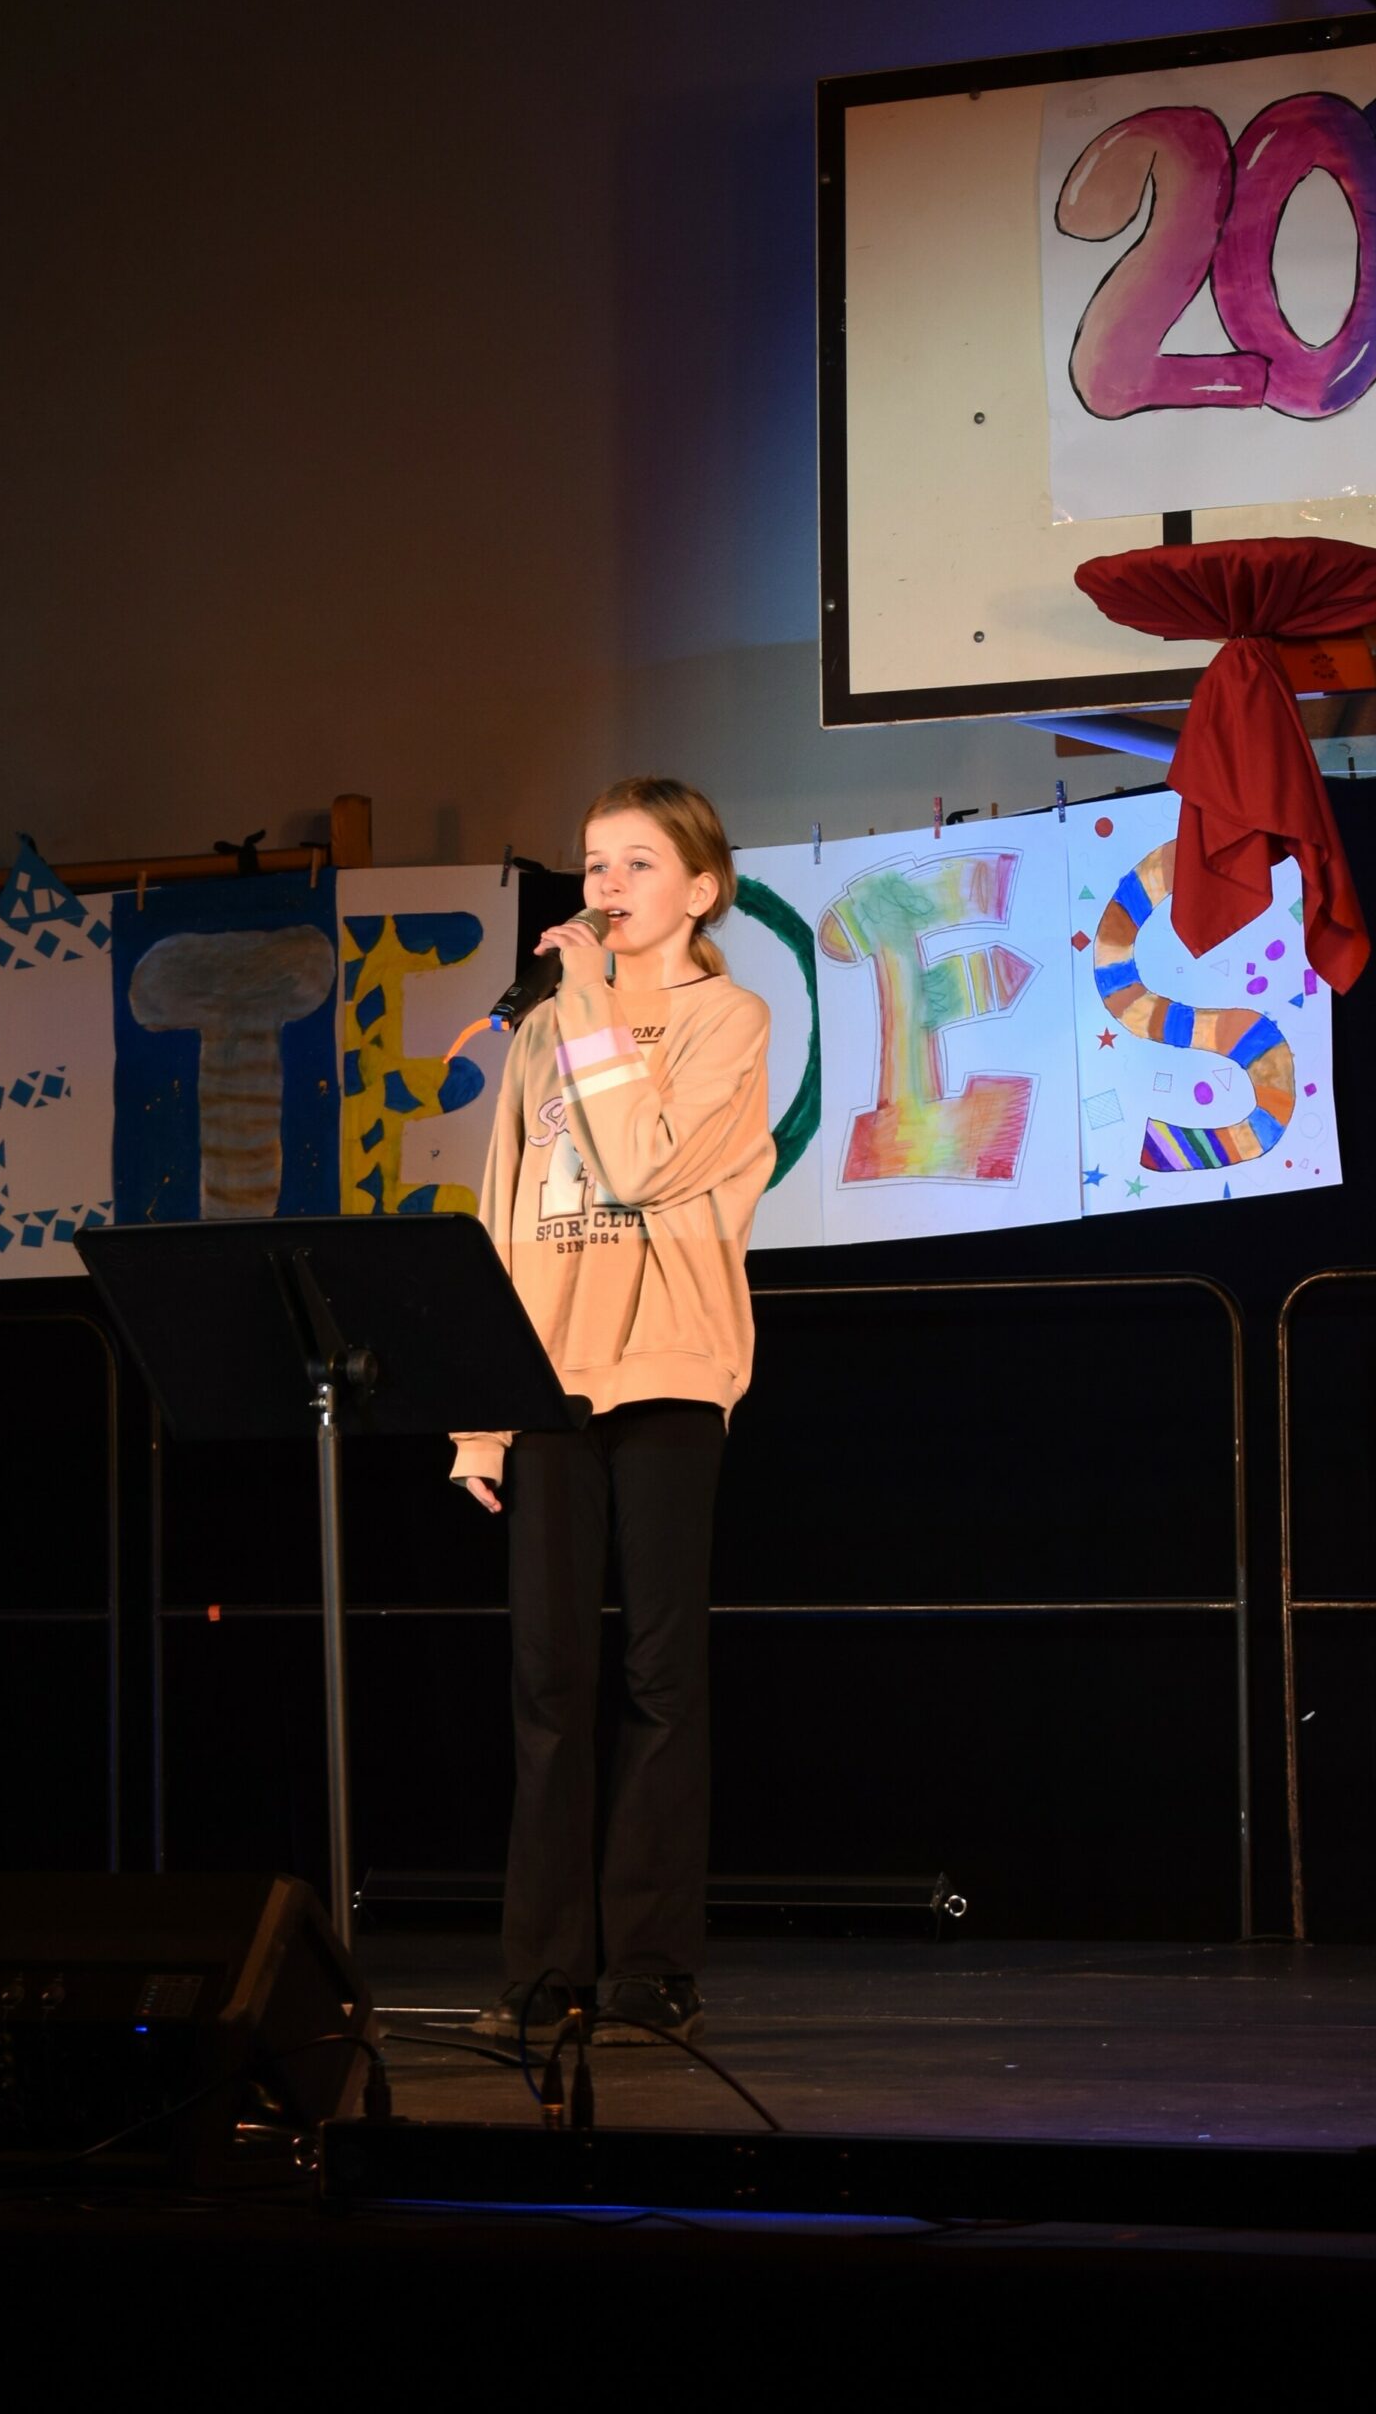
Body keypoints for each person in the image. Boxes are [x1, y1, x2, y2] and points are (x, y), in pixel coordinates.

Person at [451, 776, 773, 2047]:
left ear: (701, 889)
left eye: (638, 864)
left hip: (670, 1369)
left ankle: (647, 1963)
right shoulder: (542, 1030)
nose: (607, 886)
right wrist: (478, 1418)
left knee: (658, 1674)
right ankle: (541, 1968)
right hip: (545, 1375)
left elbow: (638, 1164)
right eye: (595, 864)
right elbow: (500, 1214)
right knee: (546, 1680)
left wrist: (588, 1000)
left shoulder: (725, 1019)